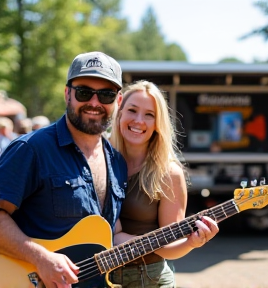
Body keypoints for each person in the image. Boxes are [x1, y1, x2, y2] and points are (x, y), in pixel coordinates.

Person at [0, 51, 127, 287]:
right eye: (84, 92)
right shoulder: (31, 149)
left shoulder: (117, 162)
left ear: (118, 101)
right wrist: (39, 257)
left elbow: (110, 235)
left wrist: (185, 241)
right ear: (67, 93)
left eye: (107, 95)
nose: (94, 103)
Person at [110, 80, 219, 288]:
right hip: (98, 277)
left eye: (149, 115)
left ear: (158, 124)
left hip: (147, 279)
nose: (139, 120)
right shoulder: (100, 159)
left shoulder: (168, 173)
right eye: (132, 110)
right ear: (120, 111)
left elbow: (170, 244)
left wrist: (191, 243)